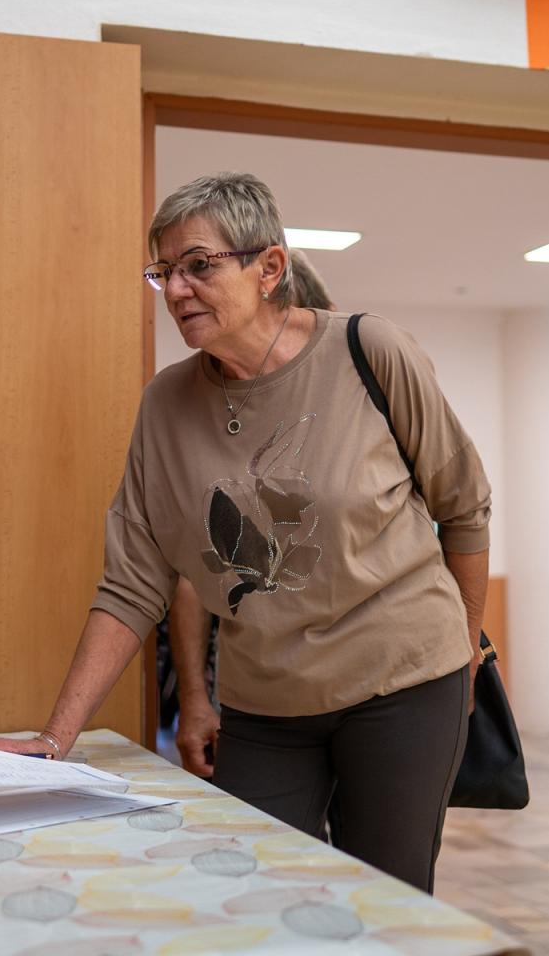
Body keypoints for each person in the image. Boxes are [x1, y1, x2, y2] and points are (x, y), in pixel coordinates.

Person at [0, 172, 490, 895]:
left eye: (199, 265)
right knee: (250, 892)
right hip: (265, 705)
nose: (176, 289)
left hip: (402, 685)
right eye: (163, 271)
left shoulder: (368, 351)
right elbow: (132, 584)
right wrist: (53, 739)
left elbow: (464, 507)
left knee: (386, 902)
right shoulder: (166, 404)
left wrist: (466, 652)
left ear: (270, 268)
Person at [170, 248, 336, 780]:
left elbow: (457, 513)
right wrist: (195, 697)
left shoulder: (354, 392)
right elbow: (191, 578)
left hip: (365, 685)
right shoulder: (207, 409)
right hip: (257, 686)